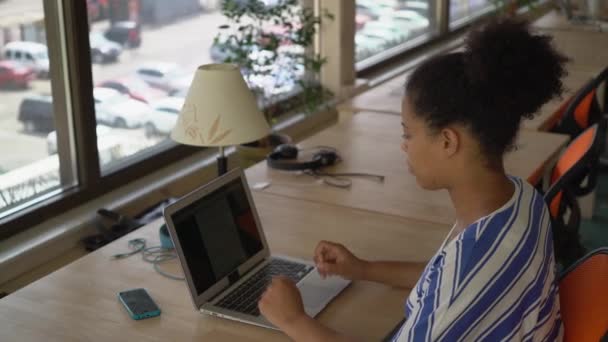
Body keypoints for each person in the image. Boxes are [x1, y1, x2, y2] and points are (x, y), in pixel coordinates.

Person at [258, 18, 568, 342]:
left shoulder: (471, 275)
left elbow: (458, 288)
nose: (403, 145)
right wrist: (362, 269)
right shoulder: (520, 199)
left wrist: (293, 319)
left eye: (408, 133)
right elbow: (442, 278)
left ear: (448, 142)